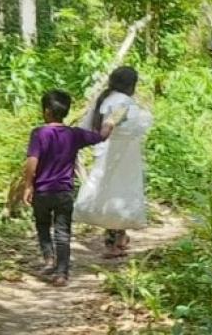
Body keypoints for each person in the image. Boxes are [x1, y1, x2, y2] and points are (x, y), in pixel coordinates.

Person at [23, 90, 123, 286]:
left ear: (46, 111)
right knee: (63, 231)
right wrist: (111, 121)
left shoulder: (39, 133)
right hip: (64, 192)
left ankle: (49, 258)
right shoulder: (74, 134)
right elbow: (101, 137)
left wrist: (28, 185)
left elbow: (32, 161)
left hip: (42, 192)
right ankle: (61, 273)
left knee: (42, 226)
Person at [78, 66, 152, 259]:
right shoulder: (123, 102)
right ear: (131, 85)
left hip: (107, 153)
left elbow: (88, 127)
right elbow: (116, 124)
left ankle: (119, 237)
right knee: (119, 194)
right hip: (121, 155)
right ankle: (112, 243)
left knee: (110, 193)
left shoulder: (105, 99)